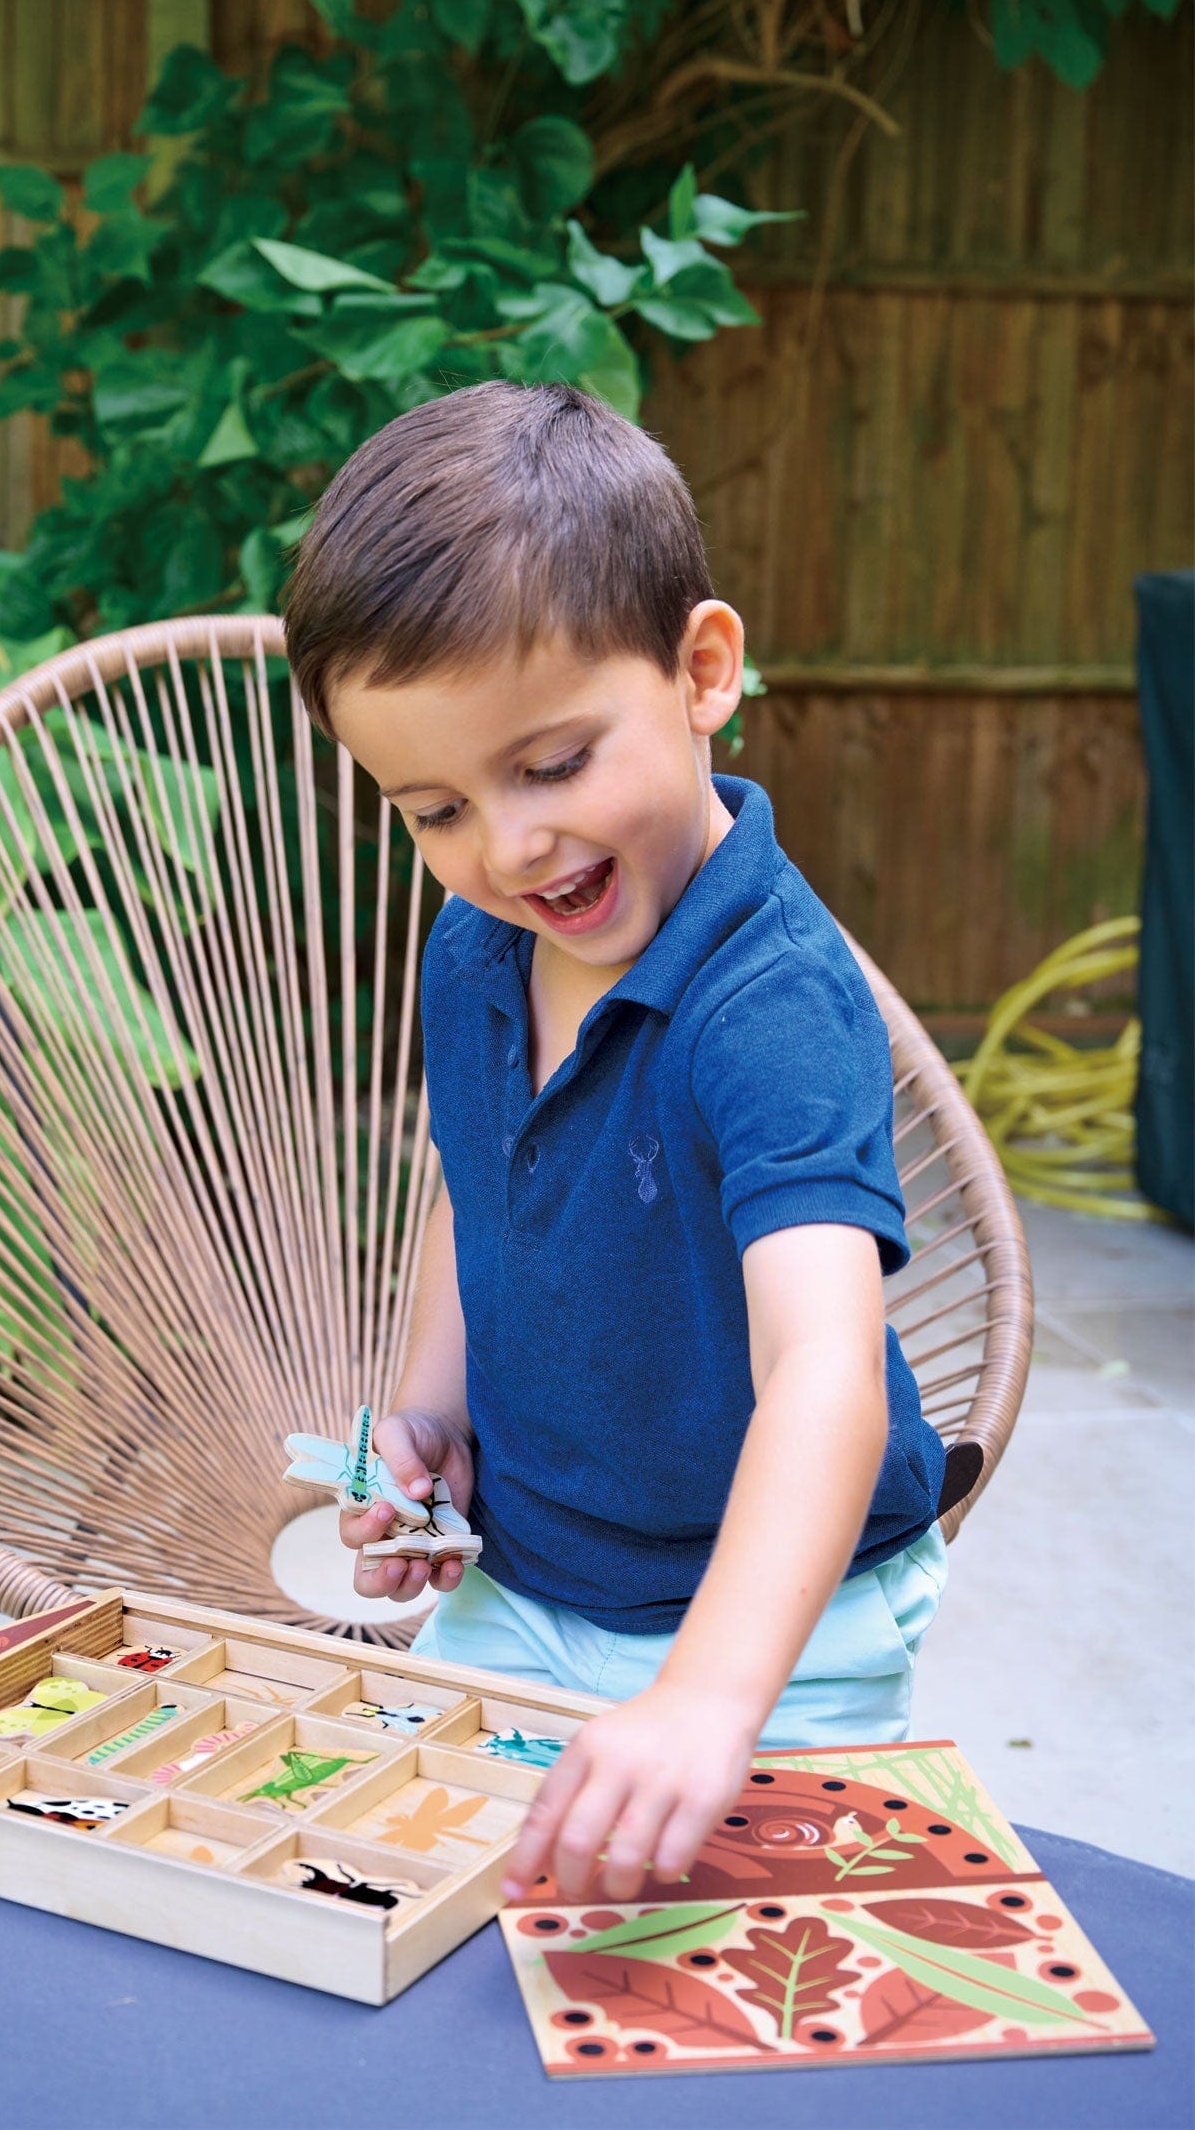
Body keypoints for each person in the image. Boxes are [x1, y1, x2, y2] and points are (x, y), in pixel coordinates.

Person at [281, 380, 948, 1907]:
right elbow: (480, 1186)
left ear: (703, 671)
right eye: (434, 806)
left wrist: (712, 1700)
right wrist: (424, 1429)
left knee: (729, 1969)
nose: (507, 849)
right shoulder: (474, 947)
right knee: (425, 1929)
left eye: (555, 765)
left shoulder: (766, 1004)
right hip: (522, 1587)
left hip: (784, 1625)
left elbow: (826, 1374)